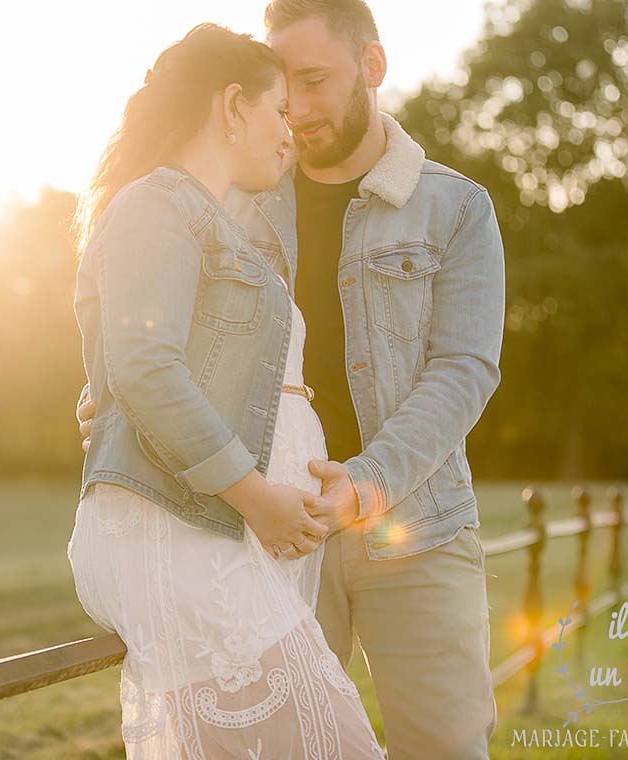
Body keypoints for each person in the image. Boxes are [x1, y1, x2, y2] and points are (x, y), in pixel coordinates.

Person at [77, 2, 507, 758]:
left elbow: (464, 371)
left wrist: (365, 483)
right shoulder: (225, 198)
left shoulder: (456, 206)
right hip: (259, 532)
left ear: (371, 68)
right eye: (282, 90)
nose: (298, 111)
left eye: (313, 81)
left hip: (414, 526)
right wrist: (112, 401)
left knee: (445, 746)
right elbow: (148, 335)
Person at [66, 22, 386, 759]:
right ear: (232, 106)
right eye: (278, 110)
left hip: (228, 533)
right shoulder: (157, 205)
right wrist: (259, 499)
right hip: (183, 531)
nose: (291, 132)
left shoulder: (209, 219)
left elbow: (155, 366)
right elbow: (144, 367)